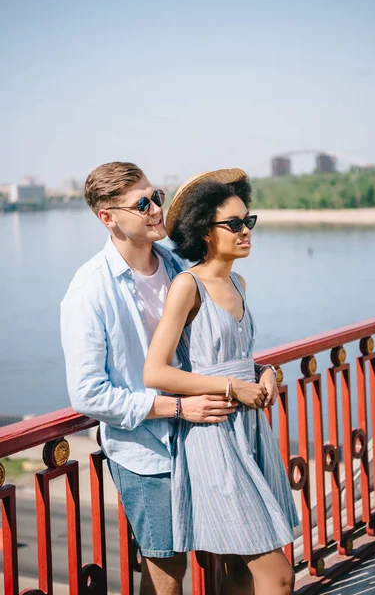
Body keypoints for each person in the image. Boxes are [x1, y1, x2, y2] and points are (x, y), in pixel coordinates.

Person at [60, 162, 278, 595]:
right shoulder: (90, 290)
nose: (157, 208)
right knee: (167, 577)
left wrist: (261, 370)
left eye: (155, 195)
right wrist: (177, 406)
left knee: (231, 557)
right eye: (142, 203)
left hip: (205, 441)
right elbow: (87, 392)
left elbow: (212, 350)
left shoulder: (179, 265)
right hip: (148, 451)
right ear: (108, 217)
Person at [144, 169, 299, 595]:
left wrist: (262, 372)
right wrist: (232, 388)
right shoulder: (186, 286)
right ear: (204, 232)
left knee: (237, 570)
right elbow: (155, 372)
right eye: (233, 224)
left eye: (249, 221)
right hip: (213, 437)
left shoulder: (238, 282)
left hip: (249, 430)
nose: (245, 231)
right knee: (279, 576)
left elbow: (237, 357)